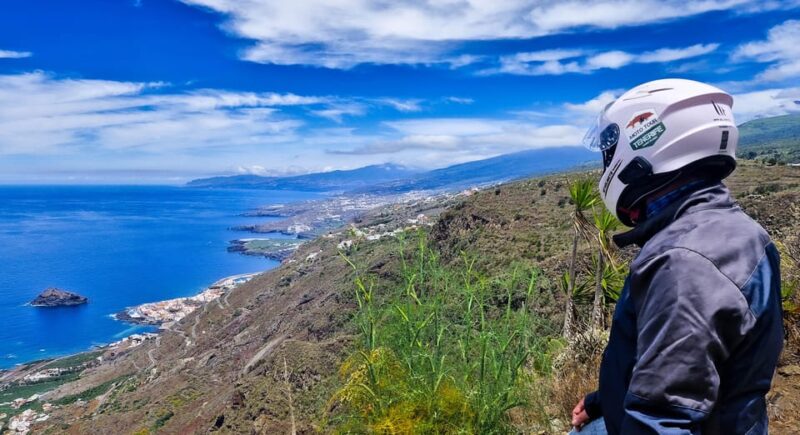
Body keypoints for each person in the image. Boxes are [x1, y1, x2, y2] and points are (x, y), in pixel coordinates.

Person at [571, 79, 784, 434]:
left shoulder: (684, 264)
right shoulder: (740, 231)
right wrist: (600, 401)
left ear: (645, 147)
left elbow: (663, 419)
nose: (606, 163)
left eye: (610, 150)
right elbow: (686, 366)